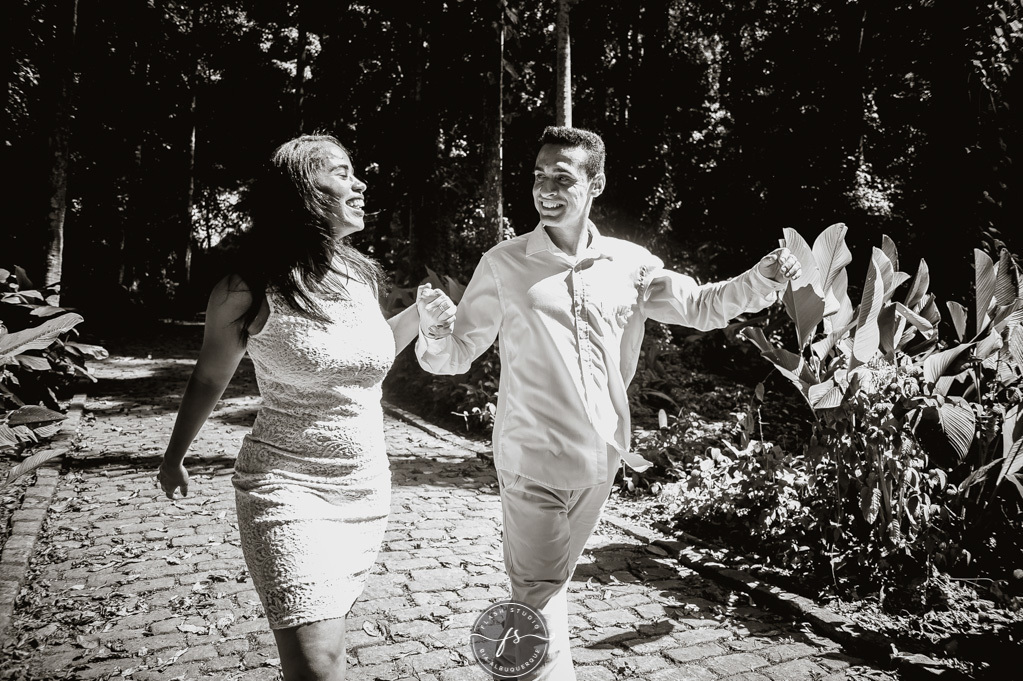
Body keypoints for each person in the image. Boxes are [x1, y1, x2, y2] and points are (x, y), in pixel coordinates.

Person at [414, 126, 801, 680]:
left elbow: (698, 305)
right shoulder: (503, 264)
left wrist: (759, 280)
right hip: (531, 463)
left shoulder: (632, 265)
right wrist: (433, 331)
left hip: (600, 463)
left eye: (562, 177)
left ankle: (517, 664)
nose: (546, 188)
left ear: (595, 183)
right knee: (540, 591)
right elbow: (454, 353)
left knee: (548, 588)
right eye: (538, 176)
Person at [156, 133, 455, 681]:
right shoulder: (245, 287)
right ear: (301, 193)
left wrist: (417, 314)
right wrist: (175, 455)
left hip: (365, 488)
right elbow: (208, 375)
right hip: (284, 486)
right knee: (317, 662)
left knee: (332, 650)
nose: (360, 182)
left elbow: (368, 353)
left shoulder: (358, 276)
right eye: (342, 173)